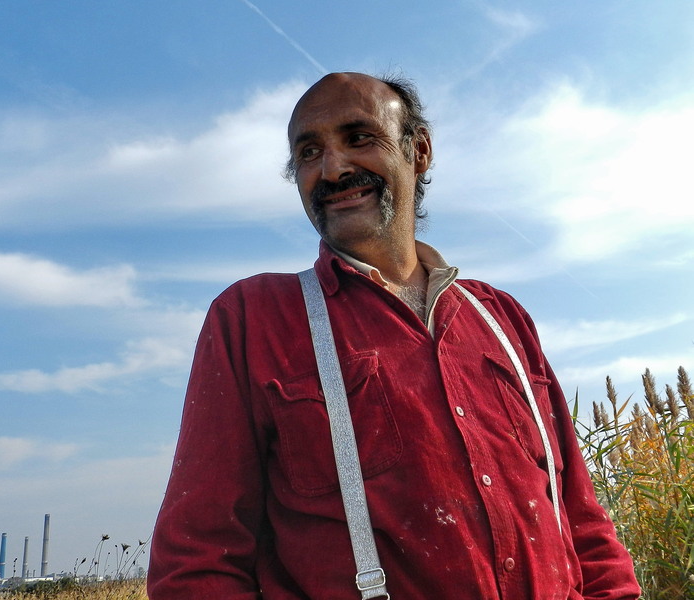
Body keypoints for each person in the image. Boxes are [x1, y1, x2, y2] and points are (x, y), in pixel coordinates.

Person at [147, 72, 641, 599]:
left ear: (419, 151)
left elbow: (582, 523)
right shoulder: (253, 318)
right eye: (309, 152)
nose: (333, 168)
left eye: (359, 138)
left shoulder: (502, 318)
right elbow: (198, 562)